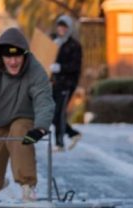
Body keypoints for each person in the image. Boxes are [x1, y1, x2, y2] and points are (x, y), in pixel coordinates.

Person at [0, 27, 54, 201]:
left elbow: (44, 100)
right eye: (8, 57)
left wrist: (41, 128)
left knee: (20, 132)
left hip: (23, 117)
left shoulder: (35, 70)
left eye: (17, 56)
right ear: (0, 57)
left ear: (25, 55)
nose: (13, 62)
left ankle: (27, 186)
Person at [50, 15, 83, 151]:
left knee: (59, 112)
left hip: (67, 84)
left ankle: (59, 143)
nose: (62, 29)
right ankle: (73, 133)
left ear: (69, 28)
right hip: (54, 83)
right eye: (60, 26)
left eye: (65, 27)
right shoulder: (54, 41)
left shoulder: (74, 46)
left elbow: (75, 66)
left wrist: (60, 67)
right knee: (51, 112)